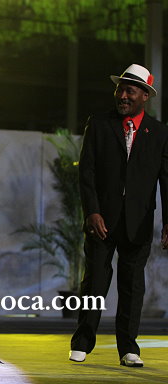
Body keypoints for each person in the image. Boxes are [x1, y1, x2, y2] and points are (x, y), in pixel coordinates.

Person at [69, 64, 168, 368]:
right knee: (95, 282)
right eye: (120, 89)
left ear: (144, 96)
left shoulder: (159, 132)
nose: (123, 95)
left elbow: (166, 180)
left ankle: (128, 348)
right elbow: (87, 172)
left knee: (132, 286)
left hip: (138, 222)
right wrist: (92, 211)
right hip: (102, 220)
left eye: (130, 91)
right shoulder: (99, 124)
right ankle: (82, 343)